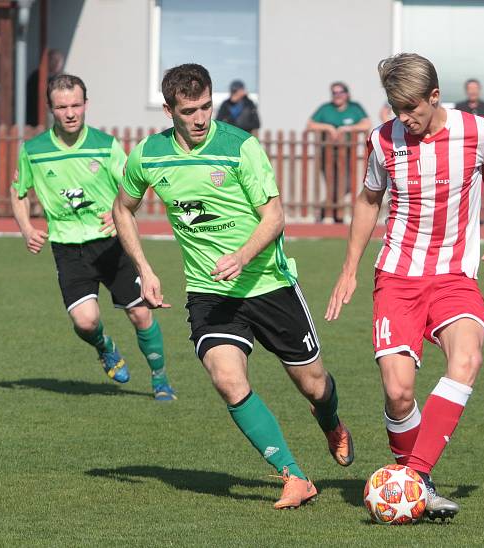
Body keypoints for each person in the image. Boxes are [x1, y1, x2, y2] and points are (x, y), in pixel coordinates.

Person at [113, 64, 353, 509]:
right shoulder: (148, 155)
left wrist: (242, 256)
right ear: (169, 110)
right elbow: (122, 208)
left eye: (206, 106)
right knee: (226, 380)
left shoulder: (241, 146)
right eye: (189, 111)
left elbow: (275, 216)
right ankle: (294, 477)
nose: (202, 118)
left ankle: (331, 421)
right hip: (210, 293)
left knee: (314, 384)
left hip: (268, 283)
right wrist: (144, 268)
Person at [325, 53, 484, 521]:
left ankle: (415, 478)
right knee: (399, 392)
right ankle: (417, 483)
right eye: (396, 109)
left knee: (468, 359)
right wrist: (349, 268)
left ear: (435, 97)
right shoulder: (382, 139)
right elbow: (368, 200)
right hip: (397, 277)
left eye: (412, 109)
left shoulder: (477, 132)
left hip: (454, 278)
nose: (404, 119)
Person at [10, 74, 176, 401]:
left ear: (86, 104)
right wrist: (27, 227)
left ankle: (160, 380)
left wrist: (119, 211)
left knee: (142, 313)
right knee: (86, 323)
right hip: (68, 248)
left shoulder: (105, 145)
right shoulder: (34, 150)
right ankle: (105, 347)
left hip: (112, 243)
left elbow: (135, 184)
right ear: (50, 109)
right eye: (62, 107)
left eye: (75, 105)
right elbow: (18, 193)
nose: (70, 113)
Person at [306, 82, 371, 223]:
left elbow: (366, 124)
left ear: (346, 94)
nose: (337, 95)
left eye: (340, 92)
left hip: (348, 153)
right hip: (327, 153)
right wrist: (329, 127)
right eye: (334, 93)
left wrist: (345, 129)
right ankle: (332, 214)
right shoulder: (326, 108)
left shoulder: (355, 108)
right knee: (331, 183)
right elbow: (310, 125)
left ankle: (326, 210)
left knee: (346, 183)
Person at [26, 49, 65, 127]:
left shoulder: (62, 78)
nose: (57, 64)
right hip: (36, 119)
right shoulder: (37, 77)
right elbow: (33, 98)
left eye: (59, 61)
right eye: (54, 60)